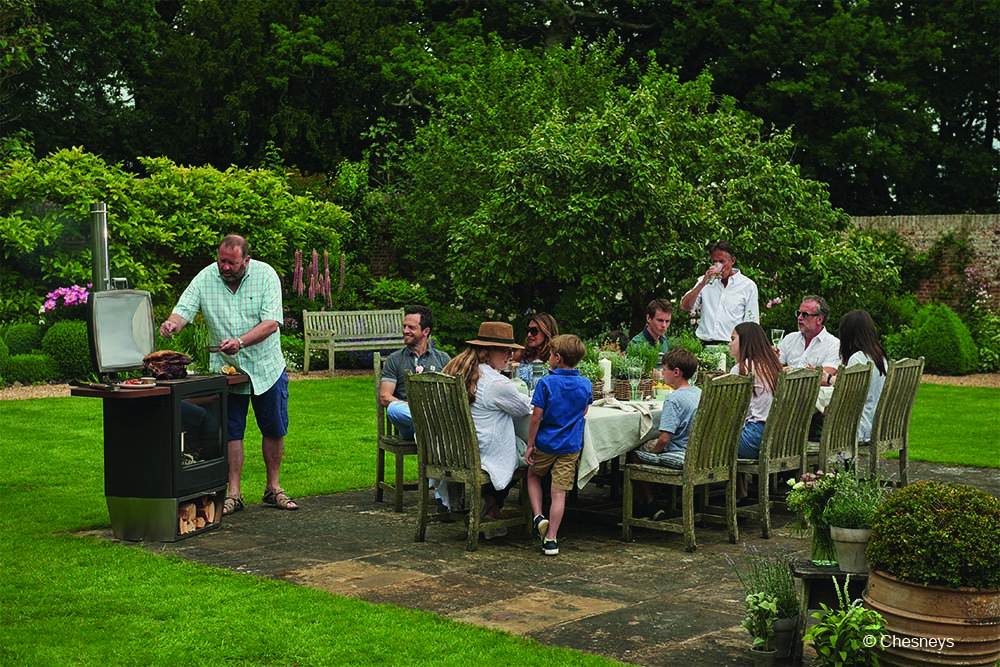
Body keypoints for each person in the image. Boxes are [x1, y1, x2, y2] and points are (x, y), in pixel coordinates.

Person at [159, 235, 296, 515]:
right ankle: (233, 493)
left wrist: (241, 342)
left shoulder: (266, 275)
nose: (225, 267)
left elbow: (271, 323)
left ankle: (273, 488)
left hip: (265, 366)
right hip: (227, 371)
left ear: (246, 260)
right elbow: (183, 310)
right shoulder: (205, 277)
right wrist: (172, 324)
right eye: (221, 260)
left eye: (231, 263)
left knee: (273, 427)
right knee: (232, 431)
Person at [442, 322, 533, 539]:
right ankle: (498, 504)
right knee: (533, 453)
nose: (510, 355)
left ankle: (490, 504)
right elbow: (524, 408)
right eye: (505, 350)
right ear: (488, 350)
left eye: (512, 350)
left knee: (519, 447)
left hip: (453, 450)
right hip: (481, 452)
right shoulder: (495, 382)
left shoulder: (456, 370)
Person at [379, 305, 453, 509]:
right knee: (394, 410)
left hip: (433, 423)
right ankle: (444, 497)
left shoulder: (443, 359)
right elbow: (385, 397)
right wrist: (414, 408)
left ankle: (443, 501)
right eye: (404, 326)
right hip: (408, 423)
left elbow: (451, 395)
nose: (405, 331)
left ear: (426, 331)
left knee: (435, 435)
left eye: (411, 327)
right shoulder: (396, 360)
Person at [526, 334, 592, 556]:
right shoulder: (585, 383)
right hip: (570, 447)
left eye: (551, 354)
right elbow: (584, 411)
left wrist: (530, 444)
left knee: (533, 474)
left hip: (546, 444)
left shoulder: (546, 383)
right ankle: (551, 539)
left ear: (557, 357)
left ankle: (538, 516)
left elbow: (536, 416)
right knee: (559, 493)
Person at [627, 348, 702, 519]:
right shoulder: (699, 392)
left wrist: (653, 454)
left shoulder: (673, 399)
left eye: (664, 369)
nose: (662, 373)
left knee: (633, 450)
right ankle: (643, 505)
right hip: (696, 449)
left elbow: (664, 439)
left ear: (676, 372)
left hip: (678, 450)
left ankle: (650, 503)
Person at [728, 322, 784, 502]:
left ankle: (703, 499)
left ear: (745, 341)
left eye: (733, 339)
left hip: (755, 439)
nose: (729, 343)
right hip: (778, 438)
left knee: (713, 444)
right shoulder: (773, 367)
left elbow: (730, 410)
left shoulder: (741, 369)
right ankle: (740, 495)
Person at [680, 241, 760, 345]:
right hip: (704, 343)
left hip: (731, 345)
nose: (718, 266)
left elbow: (751, 322)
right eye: (714, 262)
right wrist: (702, 283)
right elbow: (685, 306)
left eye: (722, 261)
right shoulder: (704, 282)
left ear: (732, 261)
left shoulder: (748, 286)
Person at [830, 310, 887, 443]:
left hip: (859, 428)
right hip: (875, 425)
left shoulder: (857, 359)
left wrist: (828, 379)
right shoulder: (880, 356)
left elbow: (846, 396)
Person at [777, 295, 840, 386]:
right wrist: (772, 359)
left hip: (814, 398)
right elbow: (773, 370)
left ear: (819, 319)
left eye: (805, 315)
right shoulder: (790, 339)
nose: (799, 318)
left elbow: (824, 379)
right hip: (785, 394)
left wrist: (787, 374)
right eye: (798, 313)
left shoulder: (834, 344)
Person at [512, 312, 559, 388]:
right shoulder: (520, 355)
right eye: (528, 330)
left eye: (534, 331)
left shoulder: (555, 358)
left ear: (546, 332)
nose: (529, 335)